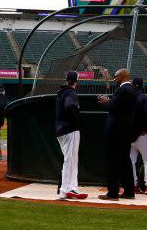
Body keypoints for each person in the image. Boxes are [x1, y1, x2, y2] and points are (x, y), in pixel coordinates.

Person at [98, 68, 137, 201]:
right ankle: (129, 191)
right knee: (125, 162)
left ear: (122, 77)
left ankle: (113, 193)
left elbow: (115, 108)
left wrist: (106, 102)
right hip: (125, 132)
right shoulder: (130, 89)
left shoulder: (123, 89)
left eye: (115, 76)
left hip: (116, 132)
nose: (114, 79)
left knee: (113, 162)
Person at [54, 70, 88, 200]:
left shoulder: (61, 92)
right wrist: (78, 122)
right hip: (70, 129)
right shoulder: (71, 92)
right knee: (70, 159)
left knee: (72, 159)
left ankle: (72, 188)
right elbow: (70, 106)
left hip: (60, 130)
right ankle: (65, 189)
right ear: (76, 82)